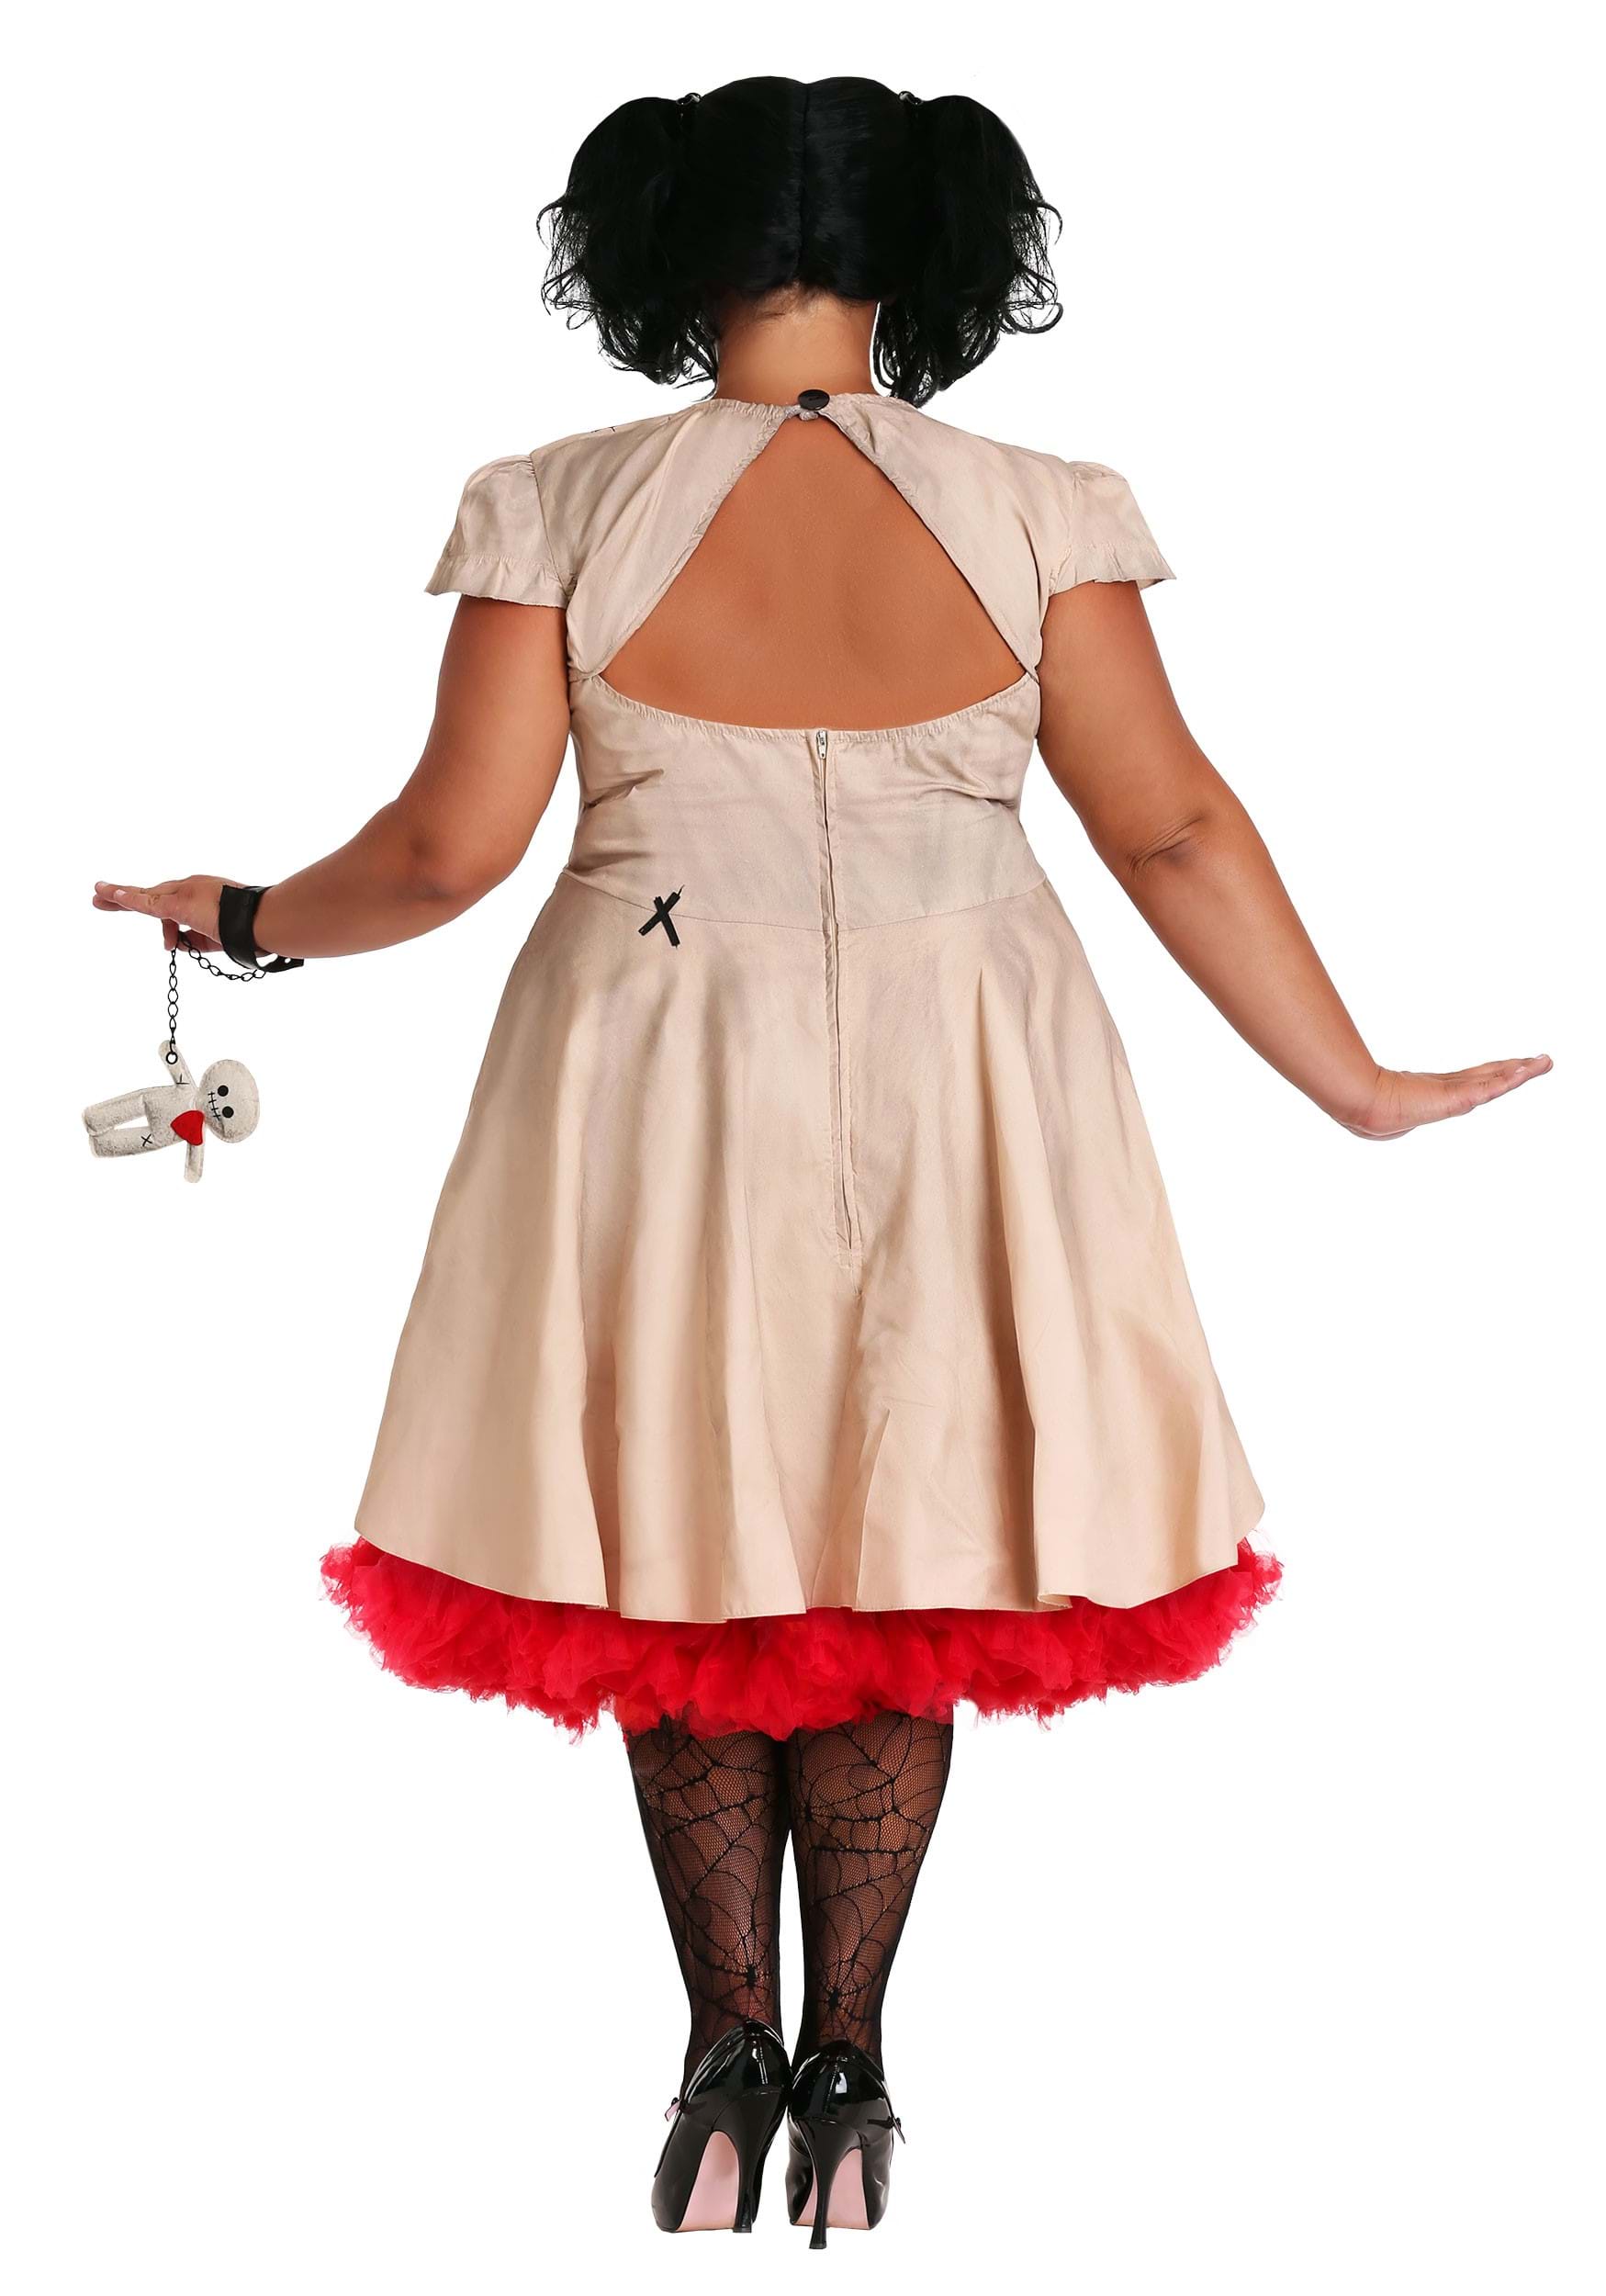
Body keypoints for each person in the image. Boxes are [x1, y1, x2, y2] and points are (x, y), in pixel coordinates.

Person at [91, 76, 1550, 2243]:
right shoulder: (1037, 508)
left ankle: (722, 2056)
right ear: (929, 249)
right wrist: (1350, 1079)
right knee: (900, 1535)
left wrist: (241, 917)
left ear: (658, 243)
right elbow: (1167, 825)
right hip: (972, 1063)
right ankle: (854, 2068)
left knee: (690, 1536)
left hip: (653, 1050)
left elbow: (444, 851)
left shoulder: (557, 503)